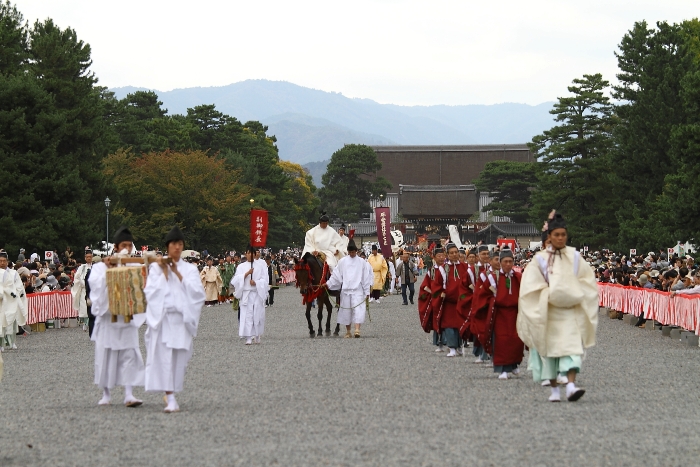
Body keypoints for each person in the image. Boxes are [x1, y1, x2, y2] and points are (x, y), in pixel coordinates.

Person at [517, 212, 598, 402]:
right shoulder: (540, 260)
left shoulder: (576, 257)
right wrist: (548, 295)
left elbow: (588, 282)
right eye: (557, 235)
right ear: (550, 237)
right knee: (551, 352)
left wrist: (576, 294)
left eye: (563, 234)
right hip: (549, 312)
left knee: (572, 350)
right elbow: (530, 288)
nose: (560, 238)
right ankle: (554, 389)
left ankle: (570, 386)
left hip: (571, 312)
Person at [143, 225, 205, 413]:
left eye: (180, 244)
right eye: (173, 244)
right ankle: (170, 397)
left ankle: (172, 391)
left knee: (180, 359)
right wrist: (164, 271)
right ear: (167, 246)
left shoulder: (190, 269)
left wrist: (177, 273)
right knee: (164, 358)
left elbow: (197, 293)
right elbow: (151, 291)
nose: (177, 247)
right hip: (163, 318)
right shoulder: (155, 267)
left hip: (182, 319)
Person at [88, 226, 146, 407]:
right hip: (108, 318)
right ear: (116, 246)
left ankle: (129, 394)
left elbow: (142, 287)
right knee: (106, 354)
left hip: (126, 316)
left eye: (129, 245)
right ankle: (106, 394)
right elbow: (95, 287)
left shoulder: (135, 265)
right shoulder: (99, 267)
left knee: (129, 353)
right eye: (123, 245)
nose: (126, 249)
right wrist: (109, 269)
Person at [488, 247, 524, 380]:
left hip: (515, 313)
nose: (508, 264)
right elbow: (483, 295)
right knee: (501, 340)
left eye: (510, 261)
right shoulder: (494, 277)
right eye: (505, 261)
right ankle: (502, 368)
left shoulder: (518, 277)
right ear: (501, 263)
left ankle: (514, 364)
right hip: (500, 314)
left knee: (516, 340)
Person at [325, 239, 373, 338]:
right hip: (346, 290)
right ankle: (348, 331)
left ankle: (357, 329)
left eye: (353, 252)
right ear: (348, 251)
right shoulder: (342, 261)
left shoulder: (362, 262)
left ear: (356, 251)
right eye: (350, 252)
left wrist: (367, 291)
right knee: (346, 311)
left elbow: (365, 277)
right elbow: (336, 275)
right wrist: (328, 284)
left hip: (358, 290)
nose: (351, 253)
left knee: (358, 309)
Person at [231, 246, 269, 345]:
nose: (250, 255)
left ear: (255, 254)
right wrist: (246, 274)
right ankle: (248, 336)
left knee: (257, 314)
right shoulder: (241, 266)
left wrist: (256, 282)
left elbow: (265, 281)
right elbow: (235, 280)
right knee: (247, 315)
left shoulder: (260, 266)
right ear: (246, 254)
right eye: (248, 253)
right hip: (246, 294)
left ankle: (257, 335)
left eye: (252, 253)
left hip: (256, 292)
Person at [437, 243, 470, 357]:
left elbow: (469, 282)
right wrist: (442, 293)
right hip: (448, 302)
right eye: (452, 253)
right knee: (449, 325)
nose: (454, 255)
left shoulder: (465, 267)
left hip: (461, 300)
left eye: (456, 252)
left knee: (460, 324)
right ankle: (452, 347)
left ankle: (459, 345)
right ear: (447, 255)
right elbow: (438, 284)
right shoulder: (443, 269)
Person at [0, 252, 27, 351]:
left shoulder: (13, 273)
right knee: (1, 323)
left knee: (11, 322)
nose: (2, 263)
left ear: (7, 262)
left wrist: (11, 293)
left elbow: (19, 286)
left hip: (10, 301)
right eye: (0, 261)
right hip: (1, 301)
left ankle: (12, 342)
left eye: (4, 261)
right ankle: (1, 344)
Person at [72, 249, 94, 331]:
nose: (89, 258)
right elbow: (77, 278)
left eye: (90, 257)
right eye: (87, 257)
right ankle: (85, 323)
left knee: (93, 307)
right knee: (84, 307)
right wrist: (83, 283)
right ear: (85, 258)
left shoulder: (94, 266)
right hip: (84, 290)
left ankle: (92, 323)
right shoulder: (82, 267)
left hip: (93, 290)